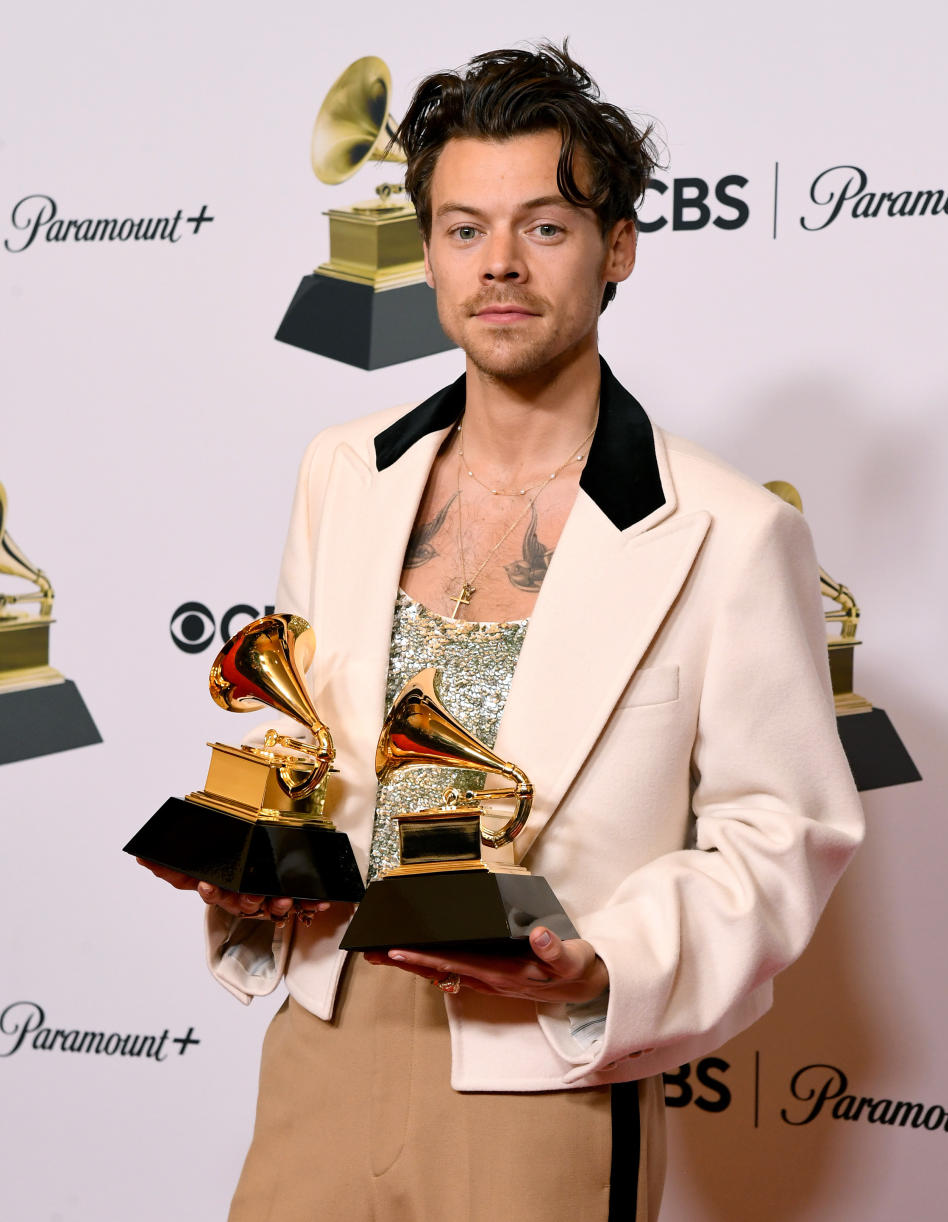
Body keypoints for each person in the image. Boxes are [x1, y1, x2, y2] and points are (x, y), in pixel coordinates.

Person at [141, 42, 863, 1222]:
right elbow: (308, 743)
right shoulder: (345, 471)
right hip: (322, 1037)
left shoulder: (729, 531)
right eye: (466, 229)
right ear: (426, 250)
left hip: (548, 1072)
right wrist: (260, 870)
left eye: (546, 226)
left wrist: (605, 961)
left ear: (617, 246)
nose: (502, 267)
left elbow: (782, 834)